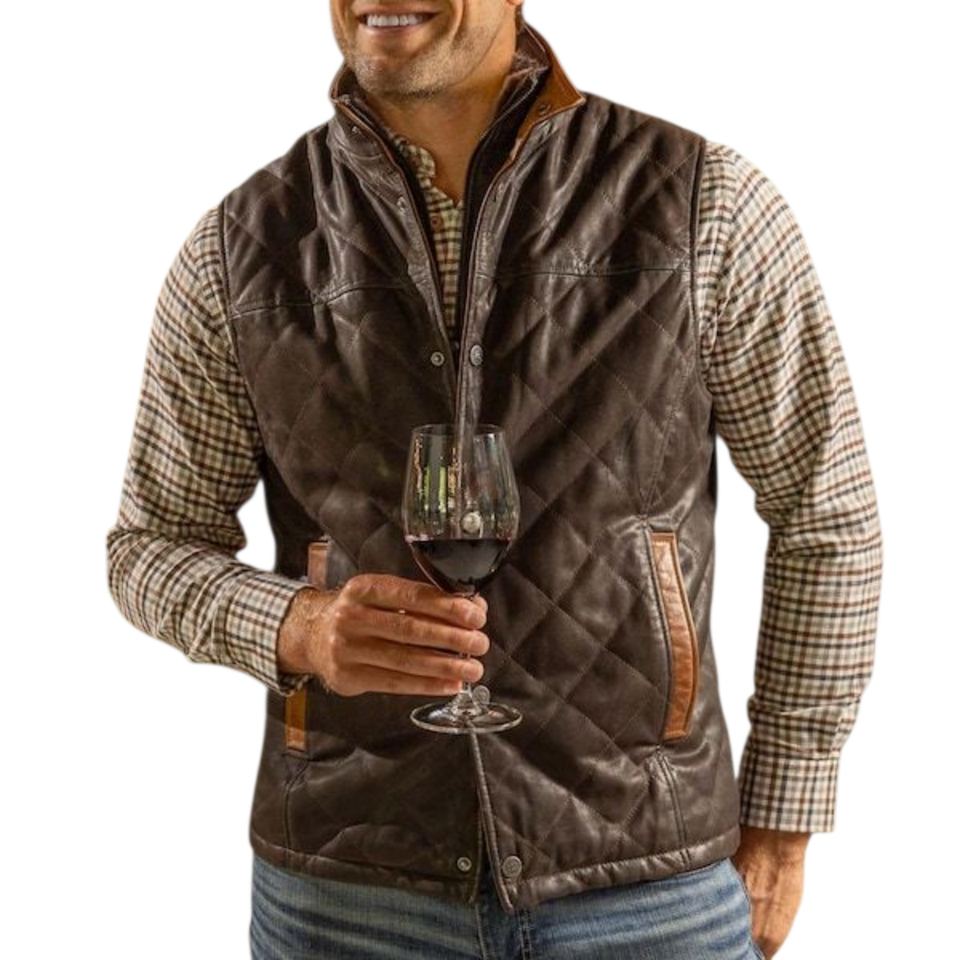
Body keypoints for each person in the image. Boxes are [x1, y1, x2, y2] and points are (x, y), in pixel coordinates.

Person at [105, 3, 883, 958]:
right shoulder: (241, 244)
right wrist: (294, 626)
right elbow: (149, 545)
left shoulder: (701, 203)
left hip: (648, 882)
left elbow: (826, 512)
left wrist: (785, 815)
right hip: (346, 892)